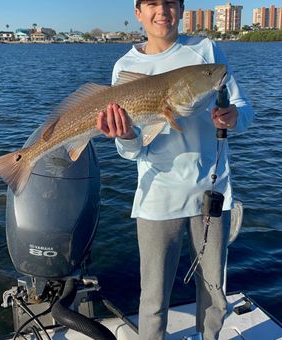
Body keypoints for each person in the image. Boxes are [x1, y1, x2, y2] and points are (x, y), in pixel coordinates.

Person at [97, 0, 254, 339]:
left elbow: (242, 106)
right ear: (138, 12)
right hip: (157, 197)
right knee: (152, 298)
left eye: (170, 3)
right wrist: (125, 135)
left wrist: (235, 116)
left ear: (181, 9)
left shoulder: (206, 51)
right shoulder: (125, 66)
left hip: (211, 193)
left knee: (214, 292)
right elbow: (132, 150)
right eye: (152, 3)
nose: (162, 11)